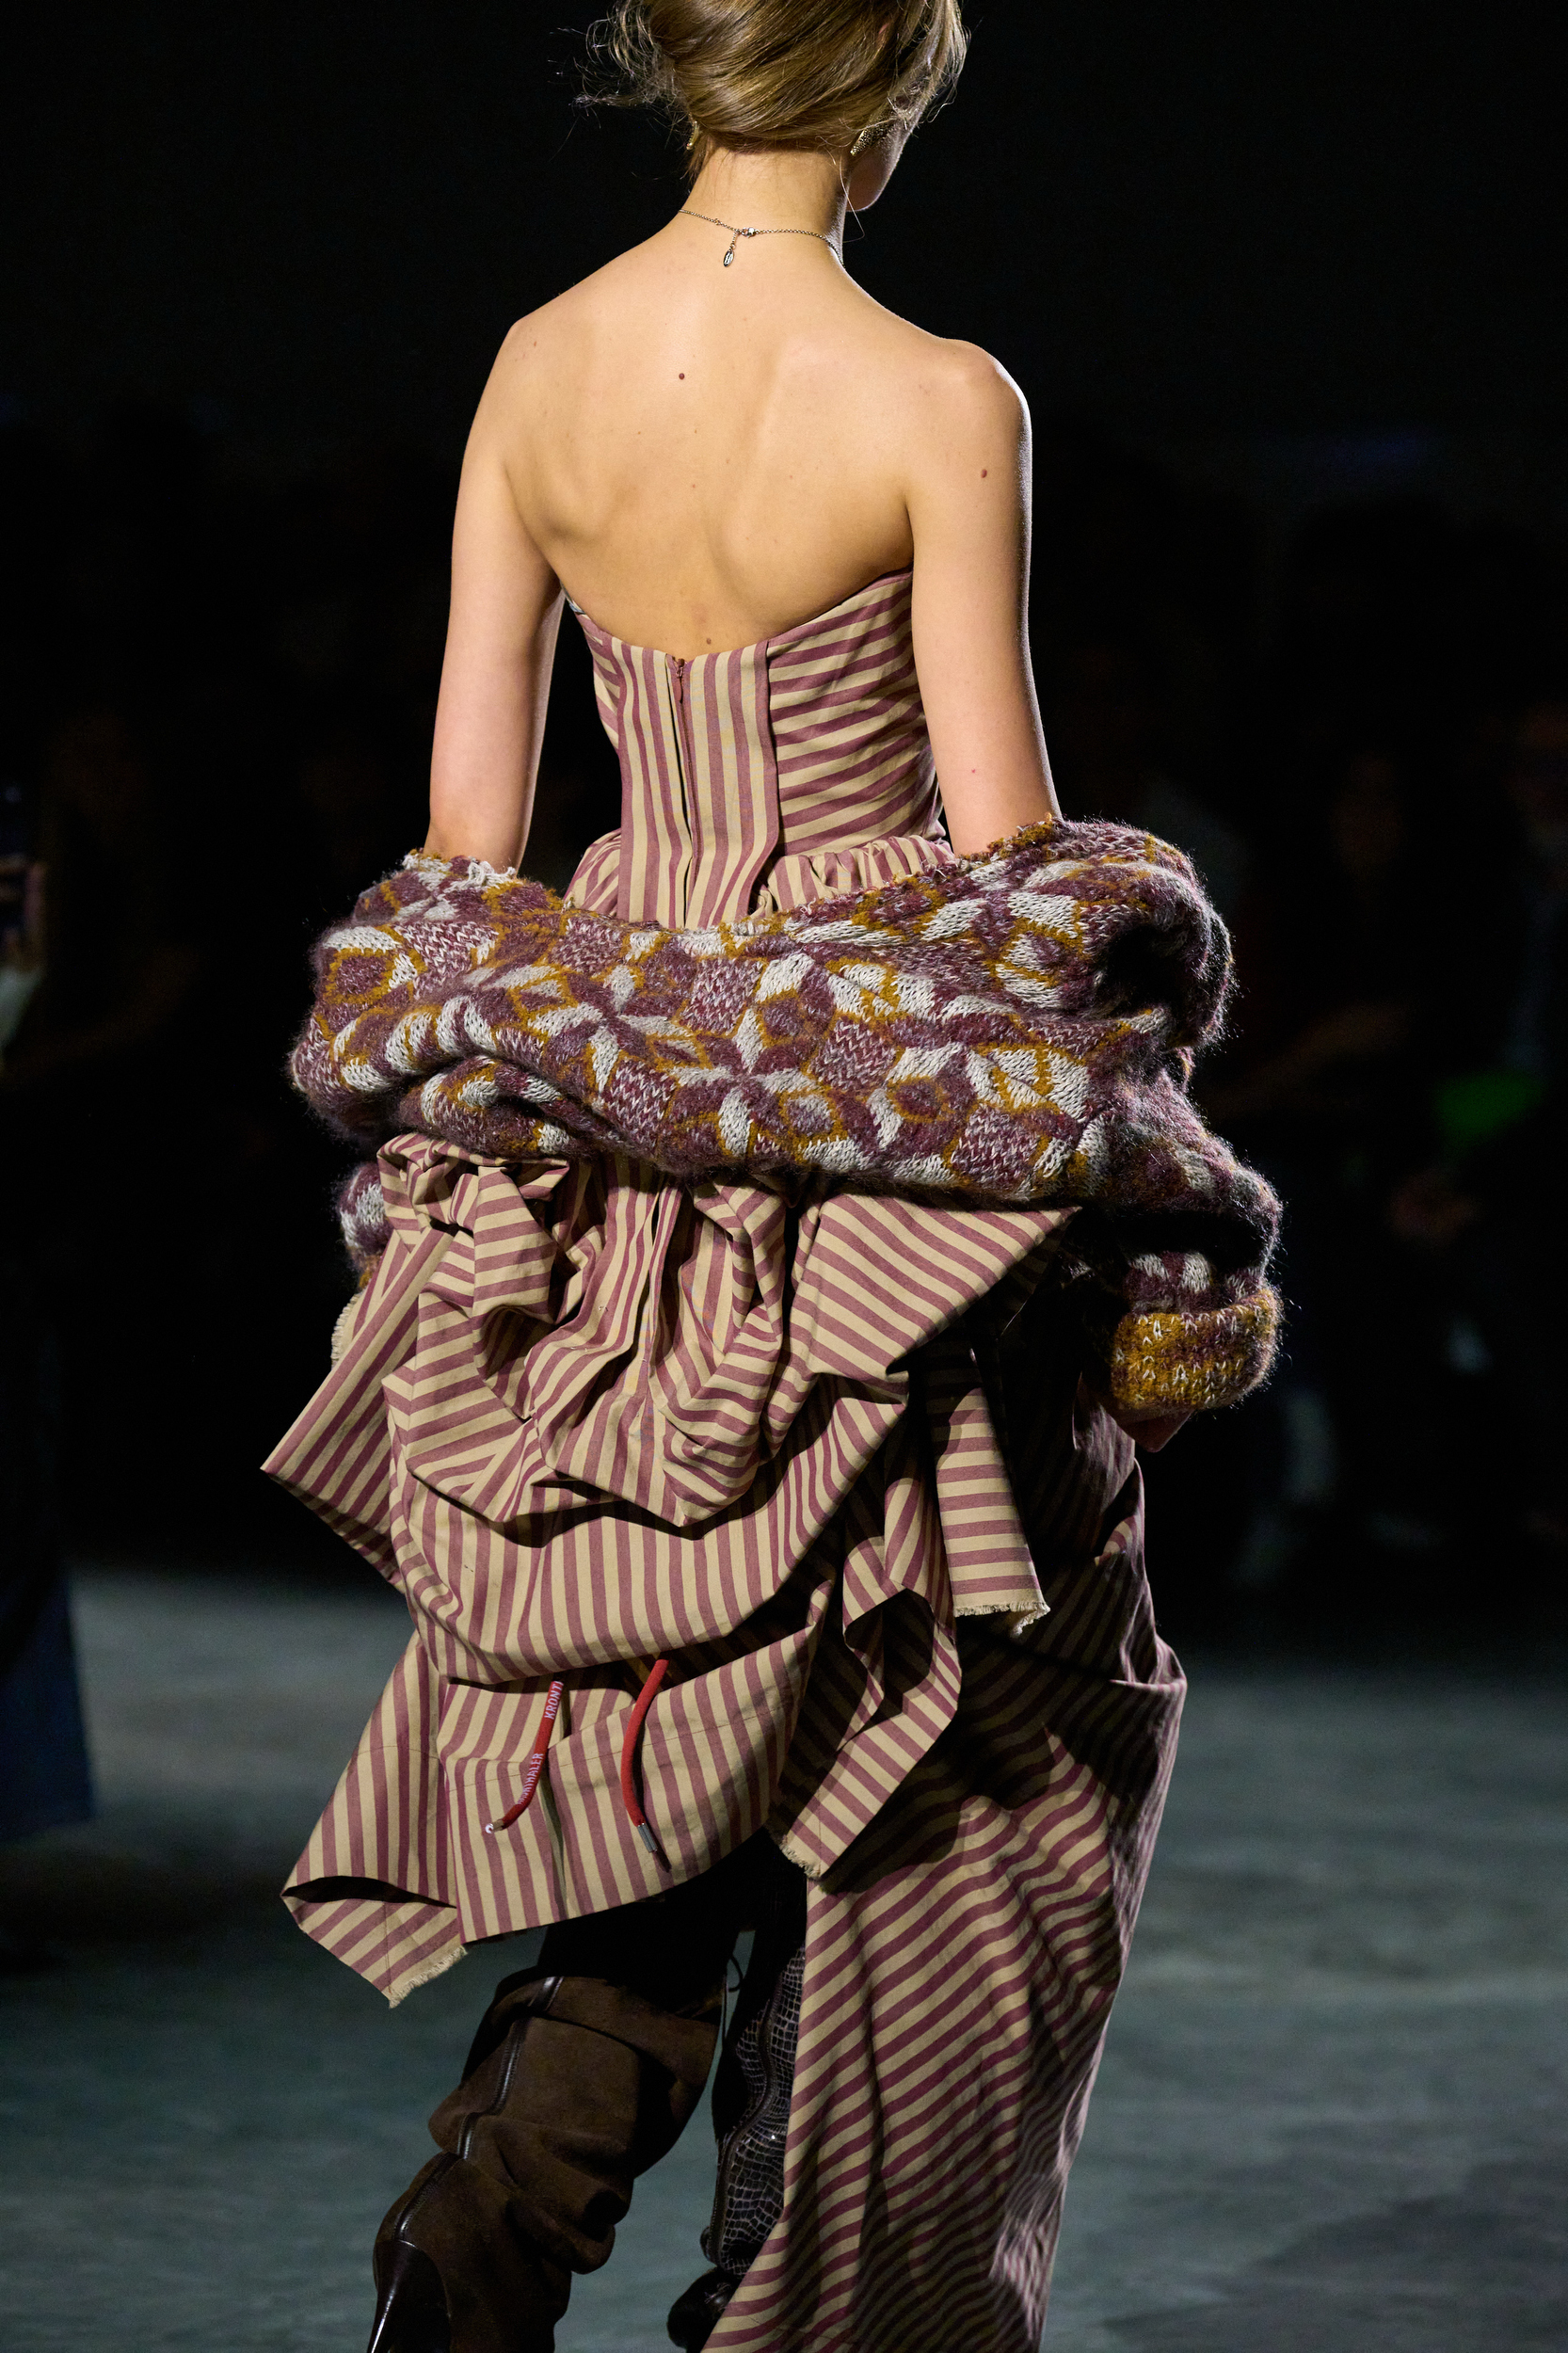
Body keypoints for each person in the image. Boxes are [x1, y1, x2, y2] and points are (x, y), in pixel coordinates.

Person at [265, 8, 1276, 2347]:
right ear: (897, 86)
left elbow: (459, 859)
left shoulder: (538, 363)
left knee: (668, 1686)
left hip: (617, 1088)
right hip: (867, 1109)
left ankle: (474, 2241)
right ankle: (791, 2289)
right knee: (920, 1738)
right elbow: (1006, 885)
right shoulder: (936, 397)